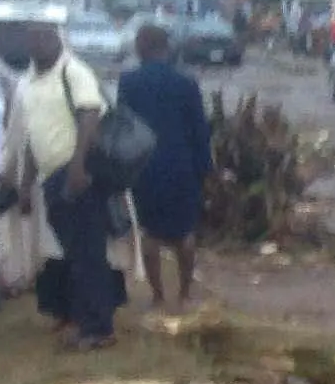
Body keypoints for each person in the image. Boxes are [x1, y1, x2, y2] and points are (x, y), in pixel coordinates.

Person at [14, 20, 120, 350]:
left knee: (88, 254)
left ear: (58, 39)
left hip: (77, 175)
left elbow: (90, 115)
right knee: (73, 254)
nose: (39, 43)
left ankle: (99, 329)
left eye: (46, 37)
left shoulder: (74, 71)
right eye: (33, 38)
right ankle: (86, 321)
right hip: (50, 179)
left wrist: (77, 166)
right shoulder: (27, 83)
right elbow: (32, 138)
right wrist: (25, 184)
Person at [118, 22, 211, 308]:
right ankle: (184, 294)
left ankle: (158, 296)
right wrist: (205, 170)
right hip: (181, 166)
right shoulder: (186, 83)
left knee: (150, 233)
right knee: (184, 232)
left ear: (140, 49)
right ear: (166, 48)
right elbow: (199, 130)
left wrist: (122, 169)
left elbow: (123, 127)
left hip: (144, 167)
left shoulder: (129, 82)